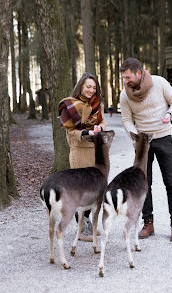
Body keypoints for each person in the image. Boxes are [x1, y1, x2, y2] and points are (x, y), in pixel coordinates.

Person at [119, 58, 172, 242]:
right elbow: (126, 119)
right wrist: (134, 136)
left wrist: (169, 115)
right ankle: (148, 223)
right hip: (142, 143)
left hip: (163, 138)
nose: (126, 81)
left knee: (171, 182)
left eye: (128, 77)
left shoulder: (159, 83)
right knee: (144, 184)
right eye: (124, 78)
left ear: (139, 73)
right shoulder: (125, 94)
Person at [58, 72, 106, 242]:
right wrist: (86, 132)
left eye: (94, 87)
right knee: (80, 191)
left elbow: (102, 122)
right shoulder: (69, 105)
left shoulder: (96, 104)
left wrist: (99, 128)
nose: (91, 90)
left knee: (93, 190)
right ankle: (81, 229)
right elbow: (71, 132)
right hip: (79, 150)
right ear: (81, 86)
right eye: (88, 87)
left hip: (94, 150)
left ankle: (90, 225)